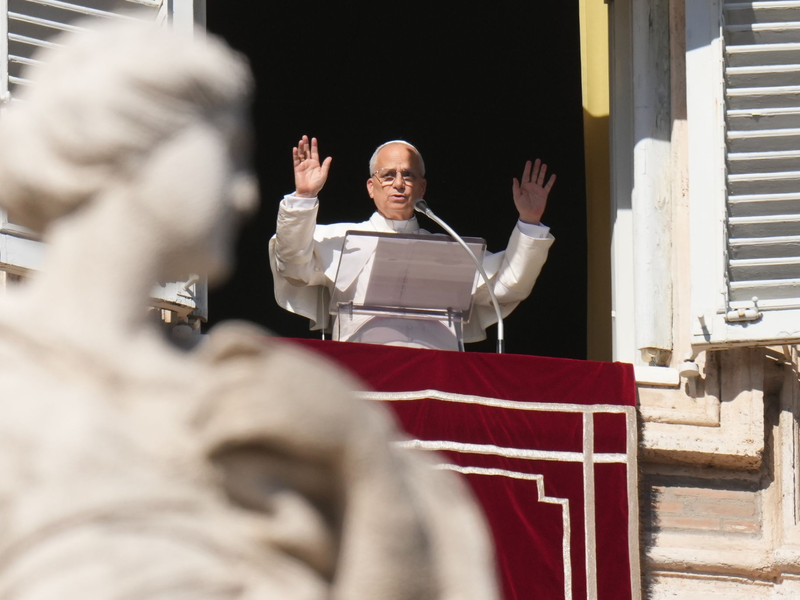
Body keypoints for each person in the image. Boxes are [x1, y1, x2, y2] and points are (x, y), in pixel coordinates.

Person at [0, 21, 499, 599]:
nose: (243, 194)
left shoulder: (253, 391)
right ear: (132, 150)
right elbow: (295, 260)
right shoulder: (16, 370)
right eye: (226, 156)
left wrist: (361, 459)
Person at [269, 135, 556, 349]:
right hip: (367, 373)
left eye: (408, 175)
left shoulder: (451, 249)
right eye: (388, 175)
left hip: (438, 376)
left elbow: (506, 286)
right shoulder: (339, 238)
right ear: (371, 187)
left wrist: (529, 222)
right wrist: (304, 198)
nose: (398, 184)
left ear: (422, 187)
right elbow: (293, 265)